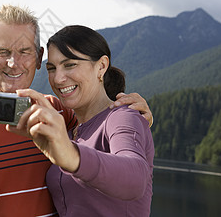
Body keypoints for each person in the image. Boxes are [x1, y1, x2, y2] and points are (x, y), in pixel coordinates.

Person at [0, 5, 153, 216]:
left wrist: (132, 115)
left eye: (24, 51)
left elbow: (112, 138)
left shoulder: (59, 112)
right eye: (2, 52)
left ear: (39, 57)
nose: (13, 63)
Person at [13, 25, 154, 216]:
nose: (58, 78)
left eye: (70, 64)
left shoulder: (122, 116)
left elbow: (135, 179)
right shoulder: (71, 128)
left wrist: (72, 156)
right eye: (52, 68)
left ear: (101, 66)